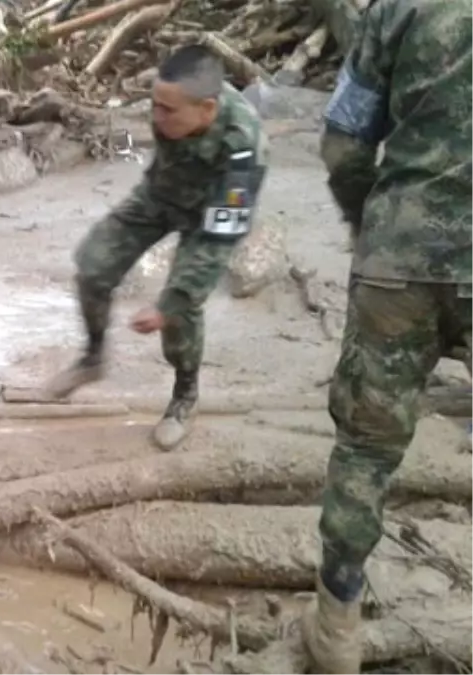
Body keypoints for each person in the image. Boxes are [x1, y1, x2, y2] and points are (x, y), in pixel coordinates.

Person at [307, 2, 473, 672]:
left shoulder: (397, 8)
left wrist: (367, 221)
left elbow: (343, 139)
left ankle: (335, 630)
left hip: (395, 261)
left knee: (365, 449)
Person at [43, 45, 267, 452]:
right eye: (155, 106)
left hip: (210, 217)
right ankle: (92, 358)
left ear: (208, 110)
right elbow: (158, 159)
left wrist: (169, 304)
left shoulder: (243, 150)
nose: (157, 118)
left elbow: (219, 239)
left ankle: (184, 398)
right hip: (161, 193)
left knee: (181, 310)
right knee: (93, 264)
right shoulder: (172, 102)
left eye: (168, 111)